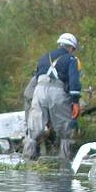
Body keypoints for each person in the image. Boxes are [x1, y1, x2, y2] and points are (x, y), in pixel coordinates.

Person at [23, 32, 82, 161]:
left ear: (60, 44)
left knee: (34, 129)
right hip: (57, 92)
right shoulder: (72, 59)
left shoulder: (45, 57)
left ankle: (27, 160)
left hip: (39, 91)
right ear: (72, 48)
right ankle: (65, 162)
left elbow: (37, 77)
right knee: (65, 131)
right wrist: (75, 101)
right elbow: (74, 81)